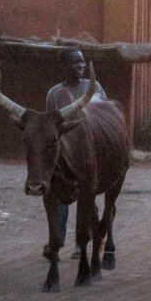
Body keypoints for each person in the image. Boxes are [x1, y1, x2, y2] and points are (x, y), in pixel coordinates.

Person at [43, 47, 106, 259]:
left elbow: (103, 116)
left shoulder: (94, 88)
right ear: (64, 66)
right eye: (75, 63)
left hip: (89, 152)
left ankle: (82, 243)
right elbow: (51, 125)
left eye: (82, 62)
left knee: (87, 198)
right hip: (64, 153)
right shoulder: (54, 93)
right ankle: (57, 242)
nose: (81, 66)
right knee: (61, 196)